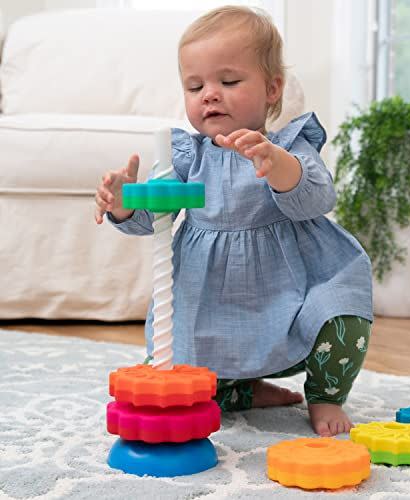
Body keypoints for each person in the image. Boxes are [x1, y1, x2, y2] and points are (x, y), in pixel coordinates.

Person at [94, 6, 373, 436]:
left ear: (272, 89)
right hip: (211, 300)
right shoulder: (187, 156)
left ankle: (325, 395)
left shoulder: (289, 144)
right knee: (176, 377)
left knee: (342, 314)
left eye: (228, 81)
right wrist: (123, 204)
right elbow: (157, 218)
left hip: (292, 290)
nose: (209, 94)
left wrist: (277, 165)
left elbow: (317, 195)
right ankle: (245, 391)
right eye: (195, 85)